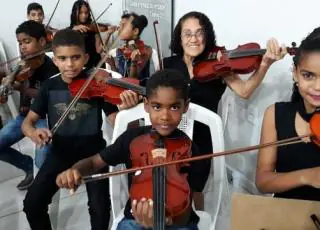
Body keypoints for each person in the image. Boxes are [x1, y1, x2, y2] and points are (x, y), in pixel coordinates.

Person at [56, 69, 210, 230]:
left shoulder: (190, 148)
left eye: (174, 107)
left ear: (185, 107)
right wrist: (75, 171)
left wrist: (168, 219)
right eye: (157, 107)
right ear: (146, 105)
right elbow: (94, 162)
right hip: (134, 219)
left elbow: (190, 208)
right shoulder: (132, 139)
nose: (165, 116)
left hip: (176, 221)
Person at [163, 11, 287, 209]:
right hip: (169, 134)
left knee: (195, 190)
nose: (193, 39)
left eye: (199, 33)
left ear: (207, 36)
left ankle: (195, 220)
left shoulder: (217, 66)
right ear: (180, 37)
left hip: (201, 141)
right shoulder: (167, 64)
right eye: (187, 34)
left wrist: (264, 64)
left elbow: (244, 91)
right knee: (168, 185)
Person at [21, 28, 138, 230]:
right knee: (32, 204)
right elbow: (27, 122)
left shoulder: (96, 84)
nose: (69, 64)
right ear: (55, 60)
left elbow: (113, 119)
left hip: (93, 154)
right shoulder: (49, 87)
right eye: (63, 58)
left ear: (85, 58)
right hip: (60, 152)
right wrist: (34, 133)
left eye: (75, 57)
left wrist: (127, 111)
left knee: (100, 209)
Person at [255, 28, 320, 201]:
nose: (318, 86)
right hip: (285, 215)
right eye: (308, 76)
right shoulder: (275, 114)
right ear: (295, 73)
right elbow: (262, 182)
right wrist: (308, 176)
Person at [0, 20, 59, 190]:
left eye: (27, 42)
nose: (22, 47)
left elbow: (46, 97)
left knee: (42, 156)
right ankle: (28, 167)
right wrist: (9, 81)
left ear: (41, 42)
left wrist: (22, 88)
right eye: (20, 43)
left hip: (44, 118)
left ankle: (42, 177)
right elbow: (16, 81)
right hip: (24, 116)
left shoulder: (52, 68)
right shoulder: (23, 65)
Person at [106, 12, 153, 86]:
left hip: (139, 92)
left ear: (135, 31)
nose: (119, 29)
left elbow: (132, 79)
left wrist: (134, 61)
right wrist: (112, 64)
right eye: (119, 25)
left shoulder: (146, 50)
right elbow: (119, 78)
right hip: (121, 89)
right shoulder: (120, 50)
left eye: (124, 26)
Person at [70, 0, 103, 69]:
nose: (84, 15)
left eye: (86, 13)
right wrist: (73, 30)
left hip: (94, 65)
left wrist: (108, 34)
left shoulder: (93, 29)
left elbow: (99, 50)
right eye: (81, 13)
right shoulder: (70, 30)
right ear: (74, 13)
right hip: (78, 66)